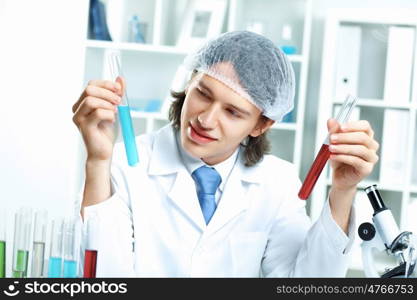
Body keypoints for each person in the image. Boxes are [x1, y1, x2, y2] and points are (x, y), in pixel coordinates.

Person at [72, 31, 379, 277]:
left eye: (232, 112)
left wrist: (343, 192)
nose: (205, 119)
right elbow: (102, 278)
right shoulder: (128, 161)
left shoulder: (277, 181)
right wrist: (97, 161)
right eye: (203, 93)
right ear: (190, 82)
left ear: (261, 124)